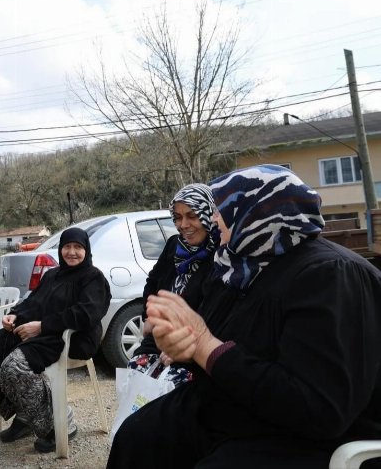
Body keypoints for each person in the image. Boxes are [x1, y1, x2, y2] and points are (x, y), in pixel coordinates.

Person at [107, 164, 381, 468]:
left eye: (222, 208)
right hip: (238, 408)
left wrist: (203, 346)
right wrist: (180, 346)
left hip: (304, 435)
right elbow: (210, 343)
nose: (213, 218)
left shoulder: (329, 275)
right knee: (136, 437)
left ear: (257, 212)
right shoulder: (240, 266)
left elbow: (318, 407)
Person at [0, 228, 110, 453]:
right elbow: (34, 301)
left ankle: (59, 424)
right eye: (67, 247)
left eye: (78, 247)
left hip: (71, 337)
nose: (72, 252)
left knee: (14, 368)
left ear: (86, 250)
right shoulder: (52, 274)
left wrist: (42, 326)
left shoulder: (93, 277)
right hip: (42, 332)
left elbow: (86, 314)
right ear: (60, 249)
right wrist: (15, 314)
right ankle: (26, 415)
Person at [130, 183, 218, 386]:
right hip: (158, 338)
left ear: (208, 213)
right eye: (178, 218)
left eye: (192, 216)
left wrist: (183, 347)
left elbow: (215, 310)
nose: (183, 224)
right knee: (135, 376)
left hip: (195, 347)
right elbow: (152, 283)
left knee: (171, 388)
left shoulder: (220, 256)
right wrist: (148, 315)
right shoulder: (174, 246)